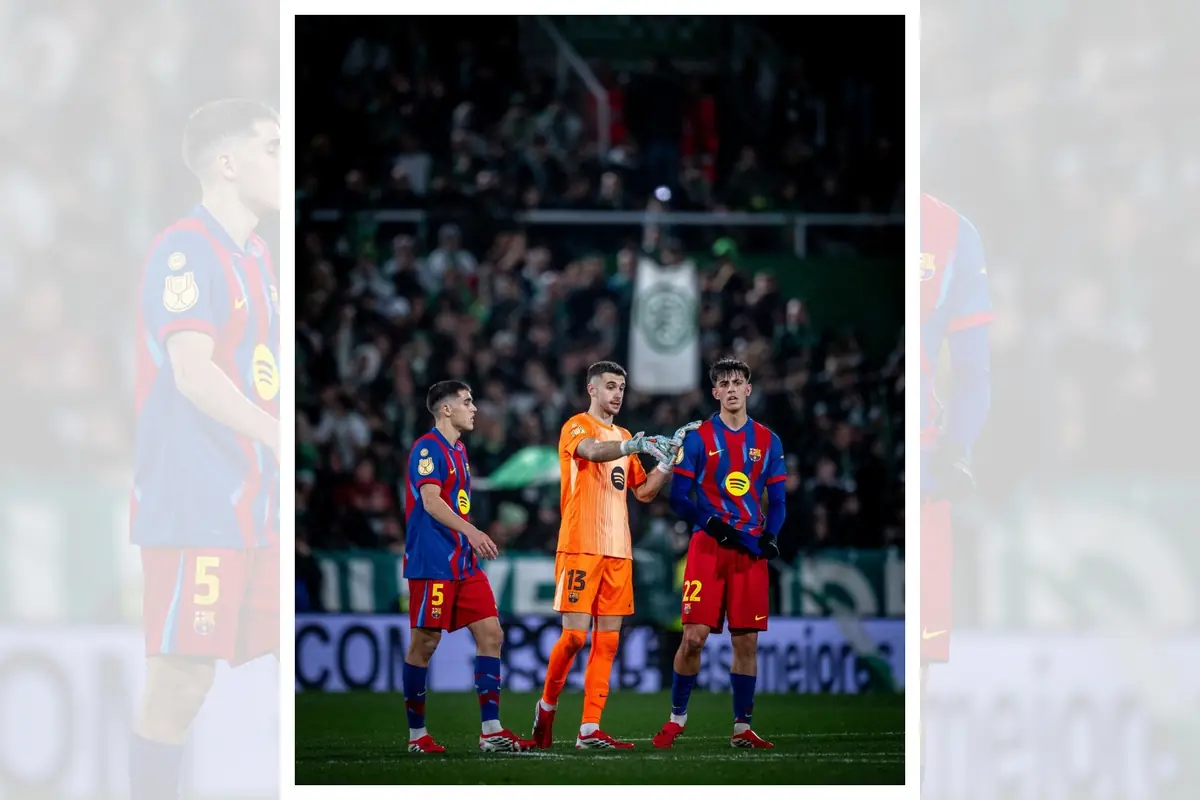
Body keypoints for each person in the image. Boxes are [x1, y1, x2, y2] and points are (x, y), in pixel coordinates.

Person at [130, 98, 282, 800]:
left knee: (286, 650)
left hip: (255, 500)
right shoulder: (187, 247)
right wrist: (279, 436)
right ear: (229, 163)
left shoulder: (256, 256)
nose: (285, 163)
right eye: (272, 147)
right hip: (198, 499)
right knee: (183, 680)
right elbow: (192, 371)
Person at [532, 361, 692, 749]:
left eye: (621, 387)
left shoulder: (622, 434)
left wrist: (667, 464)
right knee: (573, 638)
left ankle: (589, 728)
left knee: (608, 642)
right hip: (581, 545)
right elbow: (591, 450)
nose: (617, 393)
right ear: (592, 389)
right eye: (609, 386)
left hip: (619, 552)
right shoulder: (576, 426)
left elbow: (643, 491)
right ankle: (546, 709)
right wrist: (632, 445)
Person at [651, 357, 786, 749]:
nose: (730, 388)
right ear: (715, 392)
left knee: (746, 642)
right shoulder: (698, 438)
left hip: (749, 549)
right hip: (708, 547)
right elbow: (679, 496)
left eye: (737, 381)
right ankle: (677, 719)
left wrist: (772, 536)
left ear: (748, 389)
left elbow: (777, 499)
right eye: (723, 383)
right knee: (693, 637)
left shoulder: (768, 441)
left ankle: (742, 728)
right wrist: (711, 524)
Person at [402, 380, 533, 753]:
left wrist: (471, 538)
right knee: (425, 642)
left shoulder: (458, 450)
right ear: (446, 409)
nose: (474, 408)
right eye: (467, 401)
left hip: (463, 560)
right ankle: (417, 736)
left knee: (492, 634)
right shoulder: (428, 448)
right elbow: (430, 501)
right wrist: (474, 532)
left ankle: (491, 731)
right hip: (433, 561)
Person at [919, 192, 993, 781]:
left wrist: (953, 454)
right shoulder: (950, 229)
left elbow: (975, 375)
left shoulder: (950, 231)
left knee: (919, 663)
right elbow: (975, 376)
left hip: (920, 475)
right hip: (916, 467)